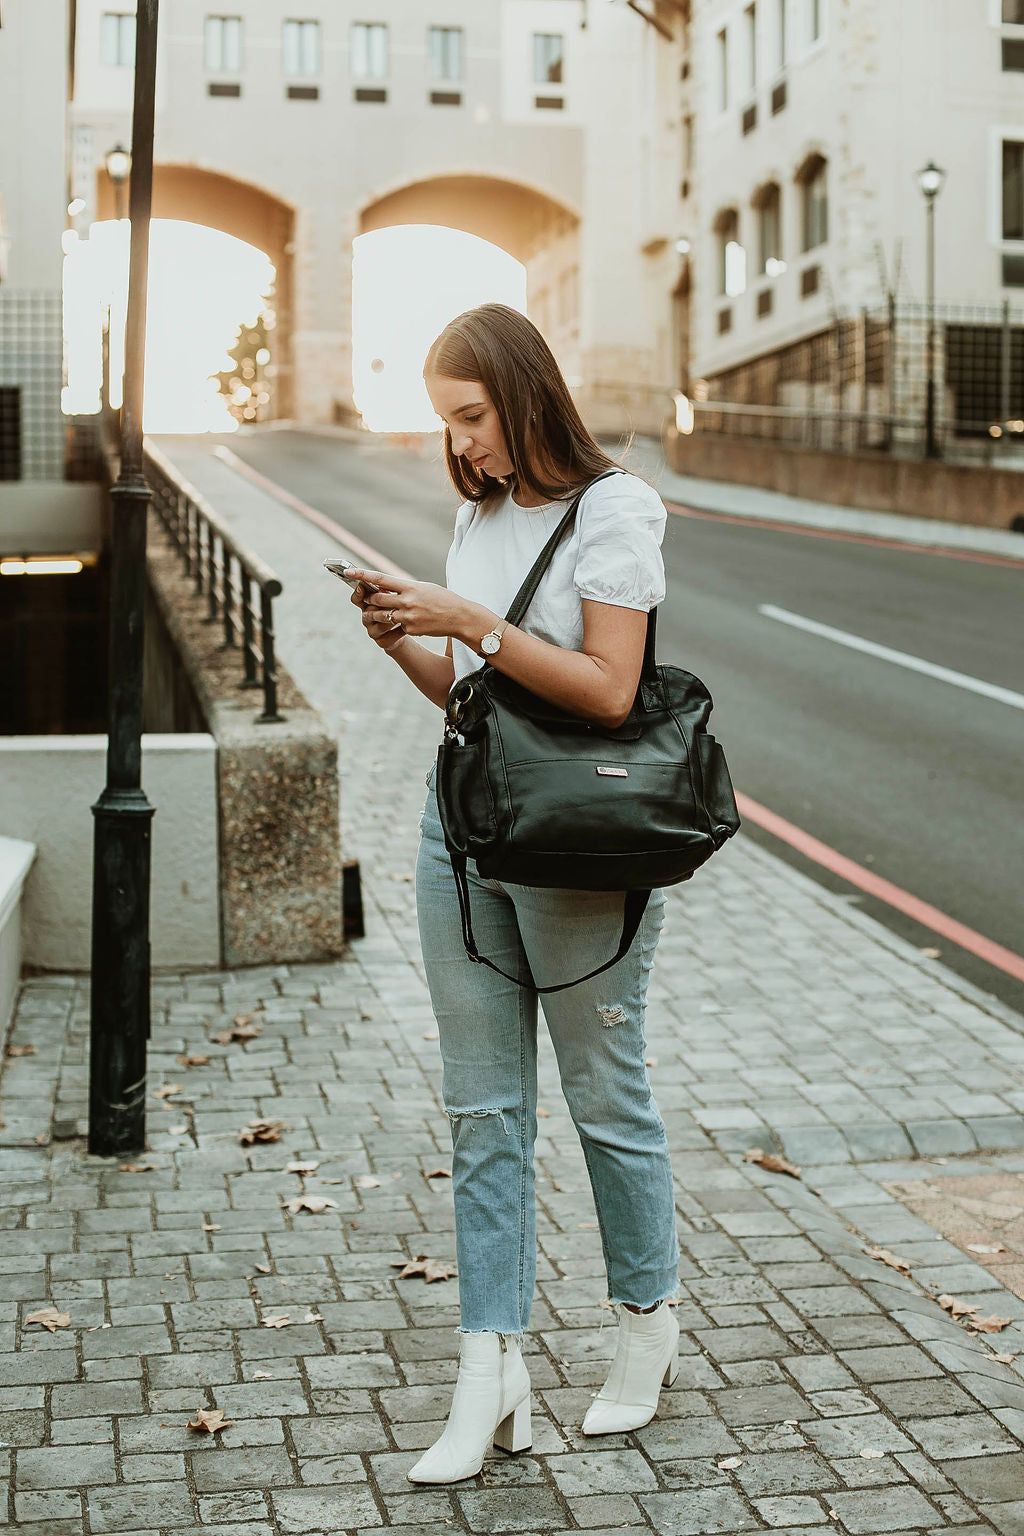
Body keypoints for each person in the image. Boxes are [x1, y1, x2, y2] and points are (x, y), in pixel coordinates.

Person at [347, 303, 680, 1486]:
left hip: (577, 847)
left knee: (602, 1096)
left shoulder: (617, 509)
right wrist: (403, 633)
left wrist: (469, 621)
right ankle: (490, 1373)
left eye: (473, 417)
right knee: (483, 1116)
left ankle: (645, 1321)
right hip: (462, 830)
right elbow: (471, 703)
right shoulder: (474, 516)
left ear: (526, 392)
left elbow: (603, 689)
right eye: (447, 425)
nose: (466, 446)